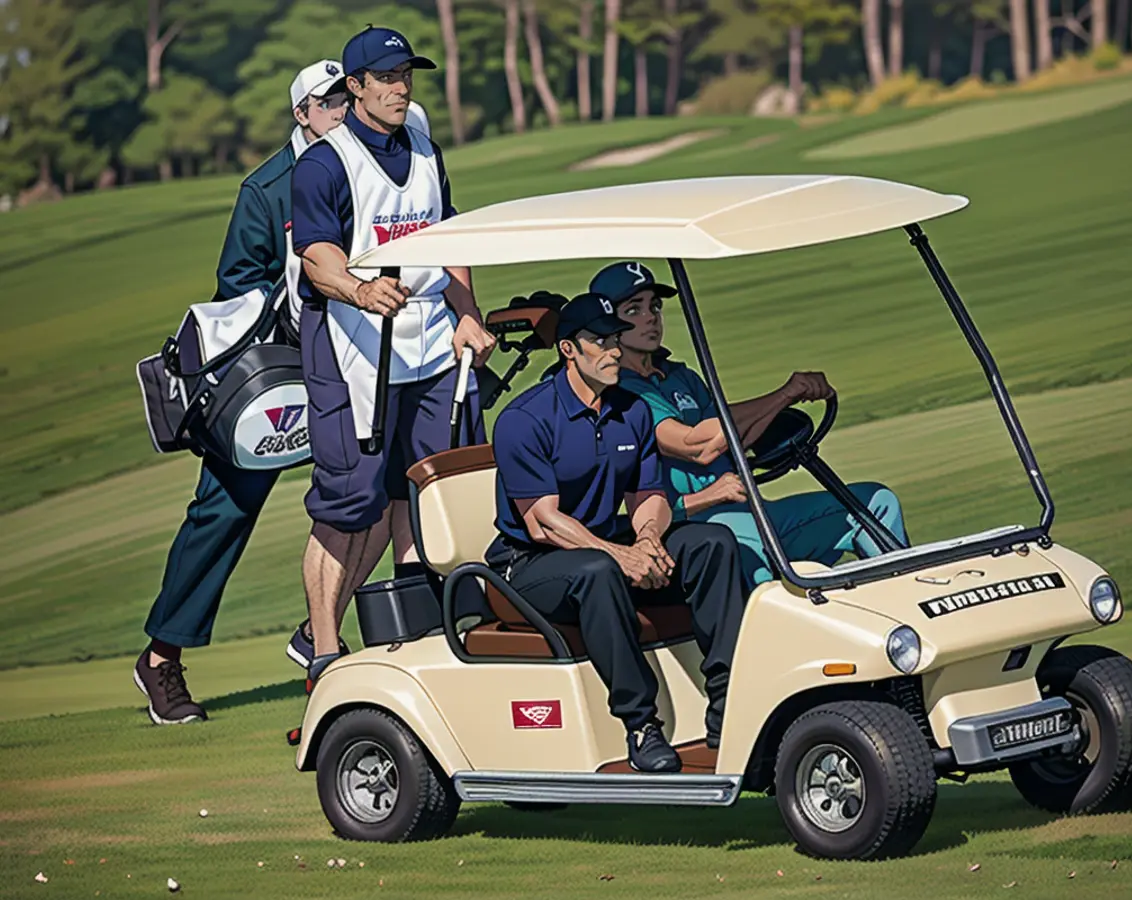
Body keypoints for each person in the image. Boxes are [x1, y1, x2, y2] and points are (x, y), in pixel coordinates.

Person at [134, 60, 350, 726]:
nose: (342, 109)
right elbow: (236, 289)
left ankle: (320, 630)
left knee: (381, 491)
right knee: (224, 509)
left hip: (352, 362)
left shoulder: (368, 165)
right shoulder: (266, 189)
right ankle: (161, 659)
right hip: (275, 370)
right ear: (302, 114)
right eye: (329, 101)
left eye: (348, 98)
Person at [291, 26, 496, 688]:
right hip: (355, 358)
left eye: (406, 74)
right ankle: (323, 651)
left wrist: (468, 314)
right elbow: (317, 257)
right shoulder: (325, 163)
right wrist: (359, 287)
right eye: (385, 77)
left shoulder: (426, 148)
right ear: (354, 87)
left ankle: (426, 627)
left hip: (434, 350)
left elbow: (448, 235)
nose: (400, 87)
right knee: (350, 509)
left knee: (435, 490)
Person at [485, 292, 747, 774]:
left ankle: (728, 703)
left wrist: (647, 540)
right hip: (527, 565)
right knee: (598, 569)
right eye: (600, 342)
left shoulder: (633, 410)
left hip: (606, 544)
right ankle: (641, 725)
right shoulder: (525, 419)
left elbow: (650, 495)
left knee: (712, 543)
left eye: (615, 340)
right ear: (568, 349)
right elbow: (542, 521)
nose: (613, 351)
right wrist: (621, 554)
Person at [592, 260, 909, 589]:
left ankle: (908, 605)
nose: (650, 318)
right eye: (633, 310)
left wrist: (783, 407)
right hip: (695, 525)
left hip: (751, 510)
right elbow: (694, 446)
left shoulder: (680, 376)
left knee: (876, 503)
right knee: (751, 549)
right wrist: (784, 394)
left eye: (654, 307)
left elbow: (730, 437)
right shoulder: (619, 390)